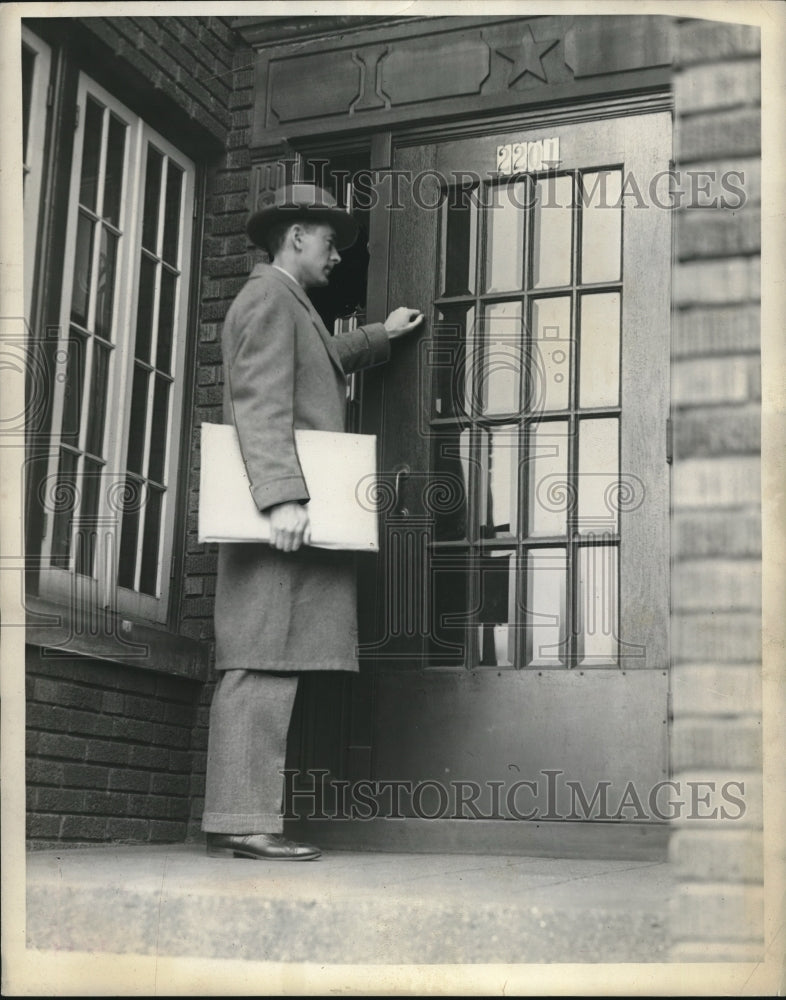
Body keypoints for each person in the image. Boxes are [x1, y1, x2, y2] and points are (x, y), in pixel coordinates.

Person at [202, 183, 422, 860]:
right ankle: (243, 821)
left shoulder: (282, 300)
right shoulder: (269, 298)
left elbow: (318, 359)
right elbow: (260, 401)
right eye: (329, 241)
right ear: (296, 235)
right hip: (279, 519)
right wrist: (281, 497)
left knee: (274, 656)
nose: (336, 256)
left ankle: (245, 817)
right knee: (260, 660)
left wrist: (379, 336)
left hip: (280, 517)